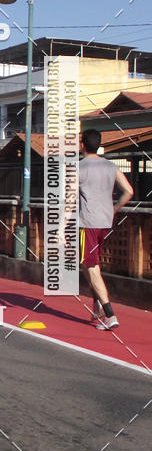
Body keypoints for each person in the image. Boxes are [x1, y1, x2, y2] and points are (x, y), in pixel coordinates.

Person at [79, 129, 133, 330]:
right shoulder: (110, 166)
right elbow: (129, 191)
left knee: (91, 266)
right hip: (105, 221)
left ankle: (110, 313)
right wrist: (115, 208)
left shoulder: (79, 167)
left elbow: (67, 199)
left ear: (82, 144)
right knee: (89, 264)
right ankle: (97, 304)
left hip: (88, 222)